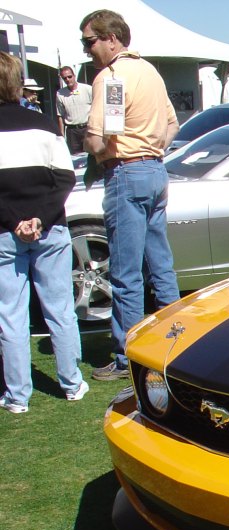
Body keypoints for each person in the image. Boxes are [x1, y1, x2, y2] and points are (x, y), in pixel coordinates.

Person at [81, 9, 181, 380]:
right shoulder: (150, 72)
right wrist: (150, 148)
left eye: (90, 41)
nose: (88, 50)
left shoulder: (112, 77)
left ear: (112, 38)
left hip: (126, 171)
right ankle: (178, 341)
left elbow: (101, 137)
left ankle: (128, 356)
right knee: (160, 263)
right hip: (154, 169)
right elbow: (172, 124)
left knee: (126, 272)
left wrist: (100, 149)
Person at [0, 53, 87, 413]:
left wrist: (15, 221)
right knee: (60, 309)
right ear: (18, 82)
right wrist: (39, 219)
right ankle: (71, 383)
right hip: (49, 228)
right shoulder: (46, 125)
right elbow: (65, 178)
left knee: (11, 315)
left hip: (5, 232)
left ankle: (18, 395)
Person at [55, 66, 92, 154]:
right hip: (72, 131)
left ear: (74, 76)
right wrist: (61, 136)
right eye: (65, 78)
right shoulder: (60, 93)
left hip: (88, 127)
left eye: (69, 76)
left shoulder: (87, 89)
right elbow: (60, 115)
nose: (67, 79)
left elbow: (97, 108)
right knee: (75, 158)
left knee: (92, 155)